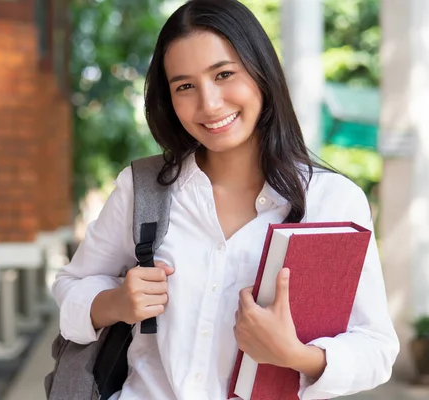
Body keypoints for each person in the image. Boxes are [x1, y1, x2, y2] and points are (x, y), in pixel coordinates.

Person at [51, 0, 399, 399]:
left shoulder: (332, 202)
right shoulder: (142, 189)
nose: (210, 103)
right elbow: (70, 287)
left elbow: (377, 348)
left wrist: (298, 355)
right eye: (185, 86)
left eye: (224, 74)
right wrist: (115, 303)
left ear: (262, 73)